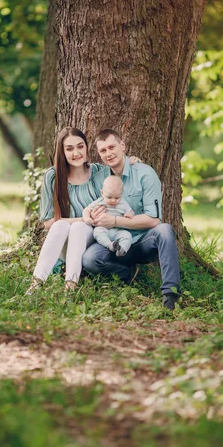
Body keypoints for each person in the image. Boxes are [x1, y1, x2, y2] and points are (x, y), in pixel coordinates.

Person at [27, 127, 140, 295]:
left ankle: (70, 287)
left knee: (78, 228)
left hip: (96, 241)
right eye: (69, 148)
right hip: (65, 243)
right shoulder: (53, 176)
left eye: (80, 146)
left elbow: (121, 175)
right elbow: (47, 222)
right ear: (62, 151)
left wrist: (132, 162)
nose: (76, 153)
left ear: (87, 147)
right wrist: (84, 219)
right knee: (61, 226)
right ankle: (35, 285)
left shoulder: (98, 172)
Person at [82, 129, 181, 311]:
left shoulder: (145, 173)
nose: (108, 153)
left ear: (123, 146)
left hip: (142, 241)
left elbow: (153, 220)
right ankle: (127, 274)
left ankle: (170, 294)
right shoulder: (99, 178)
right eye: (103, 150)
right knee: (89, 259)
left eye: (112, 147)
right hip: (113, 242)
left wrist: (115, 221)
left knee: (165, 230)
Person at [83, 176, 134, 257]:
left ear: (121, 194)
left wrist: (129, 214)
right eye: (109, 197)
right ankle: (110, 245)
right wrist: (87, 218)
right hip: (104, 229)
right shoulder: (100, 201)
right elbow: (87, 210)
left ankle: (122, 250)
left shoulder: (123, 203)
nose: (113, 200)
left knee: (127, 235)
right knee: (97, 231)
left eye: (117, 197)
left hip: (118, 230)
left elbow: (131, 211)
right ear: (102, 193)